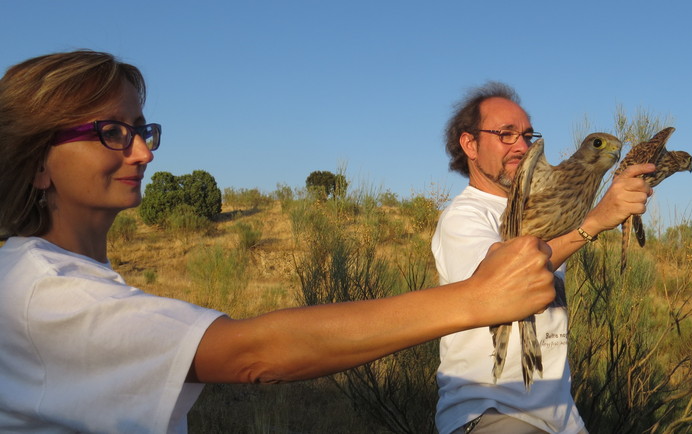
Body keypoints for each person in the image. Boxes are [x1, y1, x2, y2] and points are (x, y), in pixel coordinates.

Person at [0, 51, 558, 433]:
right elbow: (251, 355)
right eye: (111, 134)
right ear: (38, 162)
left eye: (142, 131)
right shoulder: (37, 290)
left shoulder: (71, 279)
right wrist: (474, 300)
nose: (144, 153)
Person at [433, 82, 656, 434]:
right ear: (469, 144)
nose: (521, 146)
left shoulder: (547, 198)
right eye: (506, 135)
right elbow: (505, 278)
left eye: (527, 135)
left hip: (559, 417)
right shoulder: (466, 216)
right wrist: (595, 221)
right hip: (490, 411)